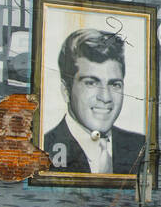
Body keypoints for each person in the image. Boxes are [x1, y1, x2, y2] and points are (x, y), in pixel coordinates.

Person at [44, 28, 146, 174]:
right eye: (91, 83)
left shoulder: (142, 147)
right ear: (66, 90)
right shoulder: (41, 148)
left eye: (114, 84)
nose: (105, 98)